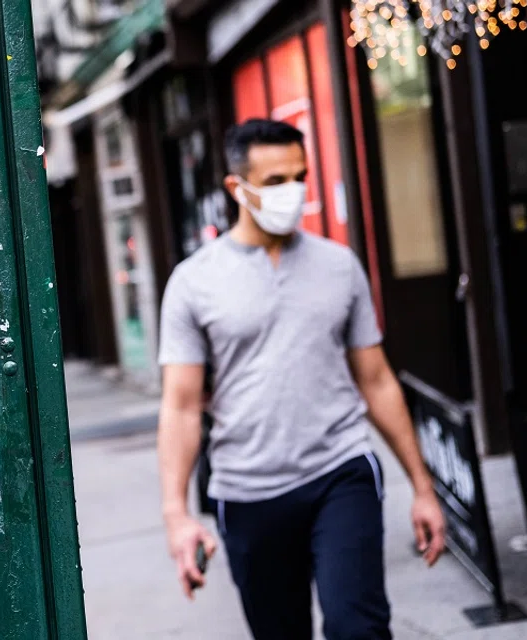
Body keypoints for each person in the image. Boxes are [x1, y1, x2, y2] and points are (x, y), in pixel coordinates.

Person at [157, 119, 446, 640]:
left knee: (357, 628)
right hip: (246, 492)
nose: (292, 192)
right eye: (274, 182)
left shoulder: (340, 266)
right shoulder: (193, 283)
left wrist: (424, 488)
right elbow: (180, 407)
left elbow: (376, 380)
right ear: (236, 188)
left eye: (300, 177)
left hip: (340, 470)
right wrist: (177, 515)